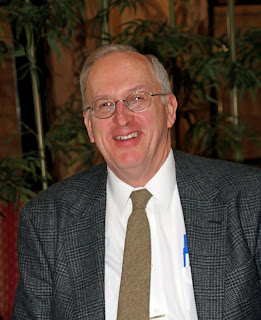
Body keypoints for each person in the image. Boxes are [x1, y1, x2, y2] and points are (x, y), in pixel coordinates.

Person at [12, 44, 261, 320]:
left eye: (137, 98)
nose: (122, 118)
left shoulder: (249, 198)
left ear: (169, 109)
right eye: (105, 104)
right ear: (89, 125)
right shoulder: (47, 221)